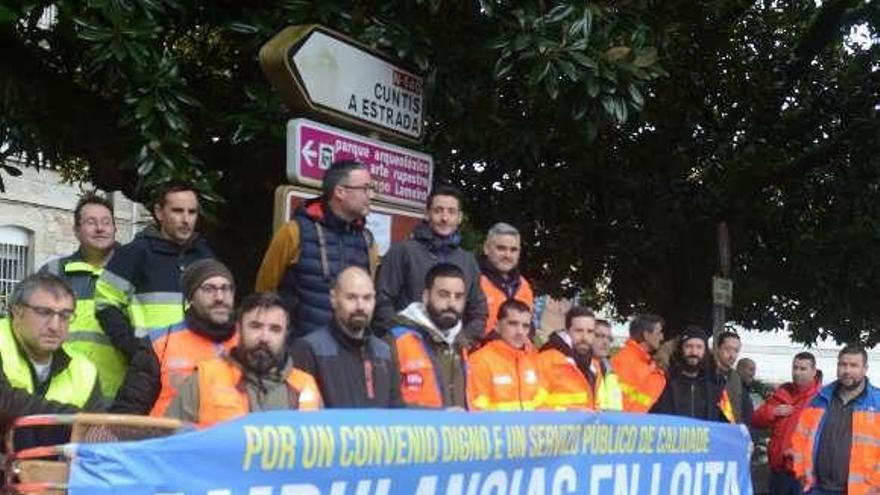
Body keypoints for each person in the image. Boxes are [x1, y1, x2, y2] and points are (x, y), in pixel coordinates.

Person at [255, 160, 379, 339]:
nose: (370, 195)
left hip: (349, 352)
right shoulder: (294, 232)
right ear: (340, 192)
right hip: (299, 351)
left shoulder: (367, 241)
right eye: (365, 188)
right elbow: (265, 291)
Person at [94, 181, 213, 361]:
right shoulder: (133, 254)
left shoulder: (206, 257)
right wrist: (137, 350)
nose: (186, 219)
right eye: (178, 211)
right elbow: (105, 304)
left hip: (199, 366)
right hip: (151, 370)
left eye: (192, 212)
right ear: (159, 213)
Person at [166, 293, 322, 427]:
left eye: (275, 329)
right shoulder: (204, 379)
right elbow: (167, 446)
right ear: (239, 329)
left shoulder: (306, 385)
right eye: (255, 326)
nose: (264, 337)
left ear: (286, 335)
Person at [111, 260, 238, 416]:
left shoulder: (249, 342)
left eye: (226, 288)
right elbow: (130, 408)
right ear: (190, 298)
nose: (219, 297)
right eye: (208, 289)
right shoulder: (160, 343)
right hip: (170, 438)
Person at [39, 194, 125, 398]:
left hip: (118, 396)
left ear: (115, 228)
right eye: (91, 222)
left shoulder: (133, 273)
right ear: (76, 230)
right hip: (61, 394)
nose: (100, 228)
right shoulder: (52, 273)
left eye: (106, 222)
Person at [375, 186, 487, 338]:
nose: (445, 218)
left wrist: (465, 339)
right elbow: (382, 301)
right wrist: (401, 335)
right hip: (407, 347)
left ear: (460, 217)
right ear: (427, 214)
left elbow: (478, 310)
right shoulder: (402, 252)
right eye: (438, 210)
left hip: (451, 350)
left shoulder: (468, 261)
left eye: (451, 212)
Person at [291, 267, 403, 408]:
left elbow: (396, 412)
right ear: (333, 299)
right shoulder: (309, 349)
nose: (360, 306)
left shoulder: (384, 352)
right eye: (351, 297)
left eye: (367, 298)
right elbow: (301, 415)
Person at [0, 274, 104, 411]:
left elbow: (95, 428)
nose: (55, 326)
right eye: (43, 312)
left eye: (65, 315)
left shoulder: (83, 370)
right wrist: (68, 417)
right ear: (17, 311)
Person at [791, 345, 880, 495]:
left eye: (853, 365)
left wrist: (875, 485)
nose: (847, 370)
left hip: (861, 491)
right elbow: (800, 439)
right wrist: (801, 473)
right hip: (817, 489)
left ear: (865, 368)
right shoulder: (819, 399)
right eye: (843, 364)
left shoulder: (877, 403)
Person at [387, 263, 472, 409]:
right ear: (426, 296)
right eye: (443, 295)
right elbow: (385, 405)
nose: (451, 303)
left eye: (458, 297)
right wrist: (439, 417)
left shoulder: (462, 345)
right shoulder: (395, 341)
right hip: (415, 431)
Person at [752, 352, 821, 495]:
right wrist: (773, 411)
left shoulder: (820, 399)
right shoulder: (782, 393)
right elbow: (756, 420)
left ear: (813, 372)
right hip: (778, 470)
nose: (797, 372)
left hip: (804, 473)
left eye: (803, 369)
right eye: (795, 368)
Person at [467, 299, 547, 411]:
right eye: (513, 324)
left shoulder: (534, 359)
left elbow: (543, 407)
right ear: (496, 326)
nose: (520, 331)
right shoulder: (479, 361)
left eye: (525, 326)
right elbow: (475, 412)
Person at [650, 325, 734, 422]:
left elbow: (727, 422)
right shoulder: (663, 382)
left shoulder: (717, 385)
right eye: (689, 346)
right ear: (681, 349)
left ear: (705, 351)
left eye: (699, 347)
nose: (694, 352)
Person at [539, 306, 600, 410]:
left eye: (590, 332)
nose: (584, 337)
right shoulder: (546, 360)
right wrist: (568, 413)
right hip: (557, 426)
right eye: (579, 331)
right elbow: (534, 405)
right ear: (567, 331)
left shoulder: (594, 365)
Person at [478, 222, 534, 334]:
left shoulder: (524, 287)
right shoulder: (472, 279)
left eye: (513, 250)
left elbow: (530, 331)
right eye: (501, 248)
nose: (507, 255)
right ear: (486, 248)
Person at [610, 314, 666, 412]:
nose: (662, 337)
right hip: (626, 424)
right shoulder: (625, 361)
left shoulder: (643, 362)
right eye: (659, 333)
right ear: (646, 335)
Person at [713, 331, 752, 423]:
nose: (732, 355)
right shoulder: (706, 373)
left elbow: (737, 409)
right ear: (717, 348)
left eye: (736, 351)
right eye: (727, 349)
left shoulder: (735, 377)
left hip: (730, 431)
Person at [591, 318, 624, 411]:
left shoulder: (610, 372)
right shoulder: (578, 369)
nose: (606, 342)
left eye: (609, 338)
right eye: (599, 336)